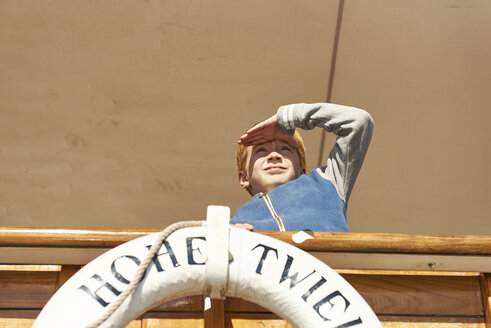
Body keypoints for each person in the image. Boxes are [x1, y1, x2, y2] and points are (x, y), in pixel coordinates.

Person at [230, 102, 374, 232]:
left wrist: (287, 119)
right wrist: (222, 235)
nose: (274, 155)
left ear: (302, 170)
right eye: (261, 151)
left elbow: (359, 121)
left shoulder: (328, 184)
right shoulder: (234, 225)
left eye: (285, 149)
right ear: (244, 178)